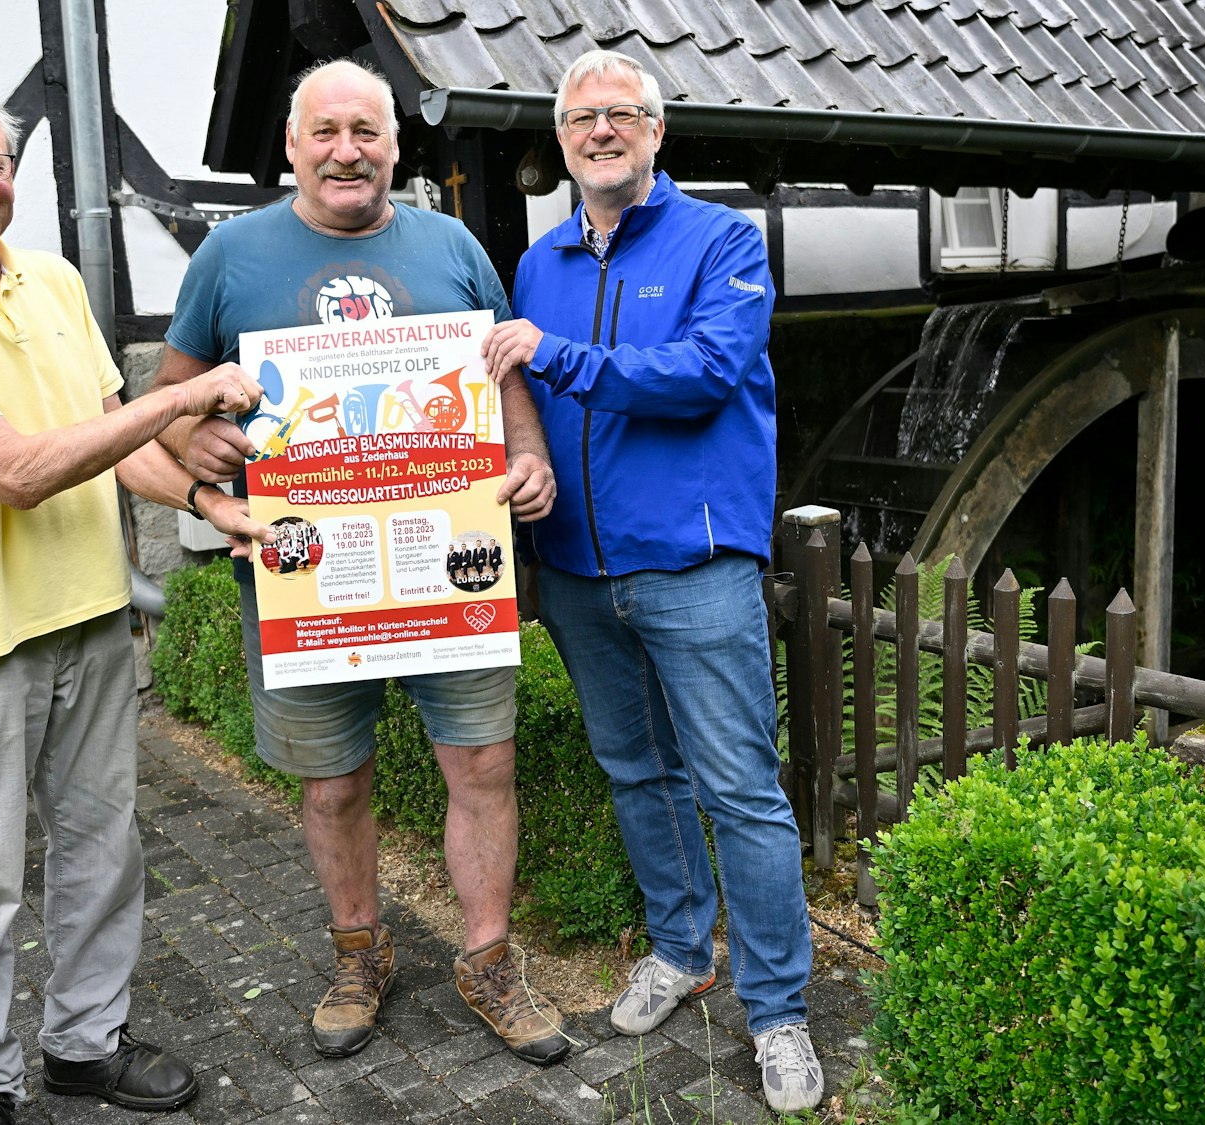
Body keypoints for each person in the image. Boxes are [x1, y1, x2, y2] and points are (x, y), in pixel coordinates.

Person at [0, 88, 271, 1125]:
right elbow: (23, 472)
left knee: (99, 849)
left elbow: (109, 437)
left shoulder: (53, 282)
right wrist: (183, 399)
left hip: (88, 614)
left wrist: (209, 502)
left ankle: (83, 1045)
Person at [151, 59, 569, 1065]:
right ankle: (357, 953)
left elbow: (499, 373)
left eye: (367, 133)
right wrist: (193, 445)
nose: (348, 151)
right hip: (305, 573)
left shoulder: (454, 244)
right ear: (292, 146)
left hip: (447, 568)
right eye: (326, 132)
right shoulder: (229, 255)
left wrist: (529, 457)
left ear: (394, 145)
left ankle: (488, 961)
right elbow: (169, 398)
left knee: (482, 764)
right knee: (332, 784)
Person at [481, 49, 825, 1113]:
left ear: (655, 131)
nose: (600, 132)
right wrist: (522, 479)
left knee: (740, 792)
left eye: (620, 115)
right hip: (579, 570)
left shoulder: (720, 240)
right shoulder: (537, 265)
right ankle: (680, 950)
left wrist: (562, 355)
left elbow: (707, 373)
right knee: (637, 772)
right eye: (581, 118)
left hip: (695, 566)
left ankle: (777, 1014)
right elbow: (518, 402)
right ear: (562, 138)